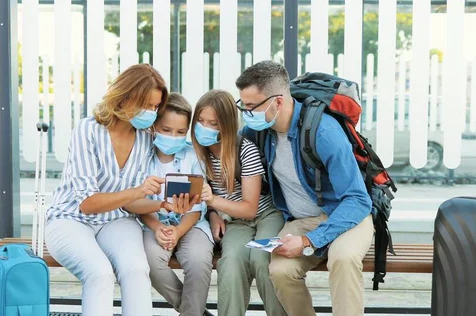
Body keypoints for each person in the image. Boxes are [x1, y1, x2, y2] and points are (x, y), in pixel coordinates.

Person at [44, 64, 190, 316]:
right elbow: (88, 203)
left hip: (116, 220)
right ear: (125, 97)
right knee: (99, 273)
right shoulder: (88, 130)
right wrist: (137, 191)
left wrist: (161, 205)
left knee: (136, 269)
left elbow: (131, 205)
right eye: (146, 105)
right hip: (70, 219)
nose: (151, 113)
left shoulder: (145, 138)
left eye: (155, 107)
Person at [236, 60, 374, 316]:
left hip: (347, 217)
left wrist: (309, 240)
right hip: (301, 220)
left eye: (252, 106)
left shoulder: (324, 132)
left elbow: (357, 199)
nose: (247, 113)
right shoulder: (259, 131)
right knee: (280, 271)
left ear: (277, 102)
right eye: (243, 106)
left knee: (343, 259)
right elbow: (224, 151)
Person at [191, 89, 287, 316]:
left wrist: (214, 200)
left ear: (225, 125)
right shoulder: (198, 155)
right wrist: (213, 212)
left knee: (263, 261)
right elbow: (207, 199)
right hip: (235, 222)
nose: (205, 128)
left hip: (266, 216)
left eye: (213, 123)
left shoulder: (245, 150)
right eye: (201, 121)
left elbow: (249, 208)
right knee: (231, 262)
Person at [139, 93, 214, 316]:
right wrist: (157, 228)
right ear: (154, 126)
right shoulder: (142, 156)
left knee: (199, 261)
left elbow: (197, 207)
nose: (173, 137)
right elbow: (138, 204)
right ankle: (195, 312)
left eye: (181, 132)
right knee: (150, 262)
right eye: (166, 130)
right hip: (153, 223)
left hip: (191, 223)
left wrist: (178, 232)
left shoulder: (193, 156)